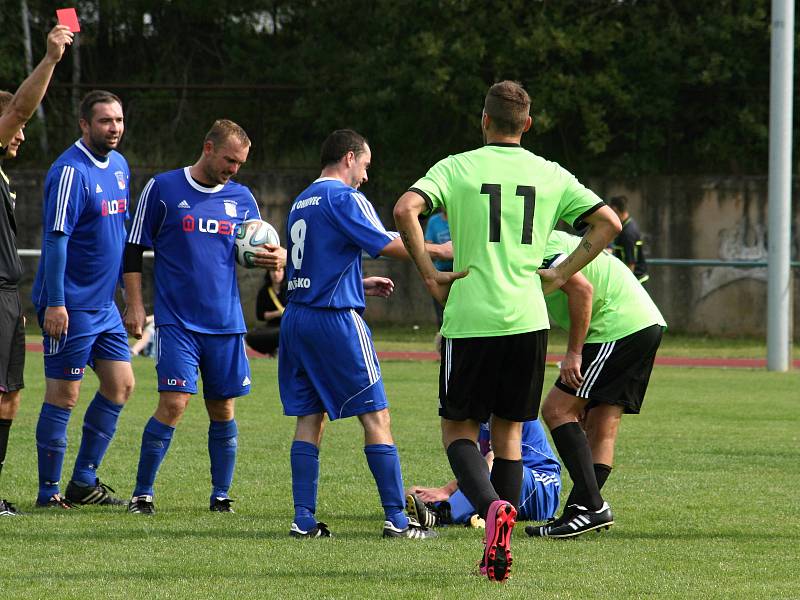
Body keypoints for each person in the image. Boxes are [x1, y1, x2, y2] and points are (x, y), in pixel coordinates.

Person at [393, 80, 621, 581]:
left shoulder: (456, 167)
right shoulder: (550, 173)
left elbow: (405, 209)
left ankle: (492, 508)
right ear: (528, 125)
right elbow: (608, 223)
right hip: (527, 322)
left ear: (484, 120)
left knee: (457, 428)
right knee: (510, 434)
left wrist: (430, 275)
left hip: (472, 318)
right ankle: (501, 547)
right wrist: (561, 273)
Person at [279, 129, 449, 540]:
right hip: (334, 321)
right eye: (366, 166)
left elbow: (314, 263)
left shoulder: (301, 201)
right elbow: (387, 243)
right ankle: (397, 518)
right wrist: (440, 251)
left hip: (297, 318)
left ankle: (303, 520)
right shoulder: (343, 197)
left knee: (309, 417)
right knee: (376, 416)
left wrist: (359, 282)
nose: (366, 177)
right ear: (350, 158)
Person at [123, 119, 286, 515]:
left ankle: (220, 495)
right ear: (208, 148)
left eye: (241, 163)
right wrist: (136, 304)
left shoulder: (242, 197)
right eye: (230, 160)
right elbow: (132, 250)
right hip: (178, 321)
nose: (234, 169)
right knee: (174, 403)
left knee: (223, 409)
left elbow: (256, 247)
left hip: (226, 323)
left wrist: (275, 258)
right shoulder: (162, 189)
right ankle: (142, 494)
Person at [525, 230, 666, 538]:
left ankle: (591, 505)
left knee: (557, 410)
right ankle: (581, 512)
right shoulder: (556, 237)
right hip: (645, 322)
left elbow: (582, 290)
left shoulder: (540, 246)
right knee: (602, 424)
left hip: (615, 326)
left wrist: (574, 353)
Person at [31, 90, 134, 509]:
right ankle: (48, 492)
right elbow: (56, 240)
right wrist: (56, 303)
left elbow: (120, 237)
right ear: (84, 124)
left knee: (121, 385)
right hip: (70, 305)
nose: (114, 128)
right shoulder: (70, 171)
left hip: (104, 306)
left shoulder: (121, 166)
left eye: (119, 120)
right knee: (64, 395)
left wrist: (127, 294)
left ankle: (83, 482)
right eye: (106, 121)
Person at [0, 24, 74, 516]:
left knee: (9, 400)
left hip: (8, 296)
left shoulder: (4, 178)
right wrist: (49, 60)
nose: (22, 133)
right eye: (14, 126)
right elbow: (21, 108)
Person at [406, 419, 561, 528]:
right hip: (507, 489)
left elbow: (491, 464)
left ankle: (440, 515)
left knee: (494, 460)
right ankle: (467, 515)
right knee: (413, 493)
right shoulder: (476, 414)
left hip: (542, 483)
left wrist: (447, 490)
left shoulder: (511, 402)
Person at [424, 208, 451, 349]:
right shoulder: (434, 221)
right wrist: (441, 251)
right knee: (442, 313)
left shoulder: (461, 217)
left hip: (460, 272)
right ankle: (443, 347)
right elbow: (427, 244)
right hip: (440, 272)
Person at [245, 265, 287, 356]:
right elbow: (260, 315)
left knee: (285, 332)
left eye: (279, 271)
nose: (276, 274)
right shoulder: (264, 291)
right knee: (250, 336)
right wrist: (278, 313)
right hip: (271, 327)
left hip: (287, 325)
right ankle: (274, 351)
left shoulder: (289, 290)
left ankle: (282, 350)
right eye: (273, 271)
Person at [609, 195, 649, 285]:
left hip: (636, 281)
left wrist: (627, 285)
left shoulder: (627, 233)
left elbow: (631, 263)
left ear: (615, 209)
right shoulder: (628, 225)